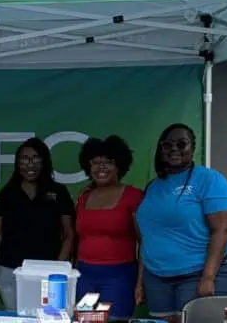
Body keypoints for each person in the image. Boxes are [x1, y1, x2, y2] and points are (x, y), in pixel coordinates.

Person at [136, 124, 227, 323]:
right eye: (167, 145)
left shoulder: (209, 179)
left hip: (200, 274)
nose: (174, 149)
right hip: (158, 278)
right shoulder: (153, 186)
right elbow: (148, 238)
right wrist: (140, 281)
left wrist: (208, 277)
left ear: (192, 148)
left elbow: (224, 229)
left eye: (181, 144)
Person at [0, 138, 75, 311]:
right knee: (15, 318)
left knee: (48, 318)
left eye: (35, 158)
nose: (29, 164)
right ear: (17, 163)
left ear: (44, 161)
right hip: (9, 269)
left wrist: (58, 269)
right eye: (24, 159)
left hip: (48, 271)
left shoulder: (58, 191)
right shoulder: (8, 193)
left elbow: (69, 235)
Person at [74, 135, 144, 321]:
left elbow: (144, 243)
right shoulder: (84, 197)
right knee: (85, 321)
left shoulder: (133, 196)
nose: (101, 167)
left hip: (119, 279)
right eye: (95, 162)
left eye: (108, 162)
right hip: (85, 277)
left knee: (115, 320)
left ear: (120, 165)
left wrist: (140, 283)